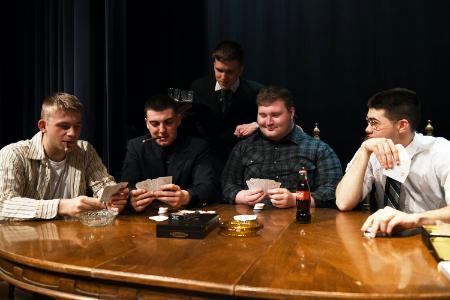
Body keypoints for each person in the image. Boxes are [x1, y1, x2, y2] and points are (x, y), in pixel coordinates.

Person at [336, 88, 450, 236]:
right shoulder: (371, 148)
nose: (367, 129)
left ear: (402, 125)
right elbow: (343, 202)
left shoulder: (441, 152)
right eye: (368, 121)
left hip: (430, 240)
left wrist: (412, 220)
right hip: (384, 243)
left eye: (374, 123)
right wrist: (363, 151)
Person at [0, 92, 128, 220]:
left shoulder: (85, 150)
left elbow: (103, 186)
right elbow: (3, 204)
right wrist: (61, 206)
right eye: (64, 126)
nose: (72, 133)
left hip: (73, 236)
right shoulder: (13, 154)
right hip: (26, 237)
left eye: (77, 126)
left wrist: (113, 199)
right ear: (43, 126)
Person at [222, 86, 342, 208]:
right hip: (252, 222)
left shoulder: (319, 149)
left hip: (300, 222)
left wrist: (296, 199)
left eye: (275, 115)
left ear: (291, 113)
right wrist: (241, 196)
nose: (268, 122)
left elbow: (333, 191)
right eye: (263, 115)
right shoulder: (243, 147)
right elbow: (226, 186)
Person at [121, 94, 218, 213]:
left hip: (185, 219)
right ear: (147, 123)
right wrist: (132, 200)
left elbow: (208, 187)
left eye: (168, 122)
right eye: (155, 124)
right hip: (145, 218)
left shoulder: (197, 147)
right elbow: (126, 186)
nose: (162, 130)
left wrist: (186, 197)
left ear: (178, 119)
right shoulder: (136, 146)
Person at [183, 40, 263, 174]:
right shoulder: (198, 87)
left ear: (241, 69)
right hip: (206, 159)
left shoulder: (255, 91)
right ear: (213, 64)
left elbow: (282, 119)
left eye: (230, 72)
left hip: (243, 160)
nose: (223, 77)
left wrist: (256, 125)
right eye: (219, 70)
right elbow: (190, 125)